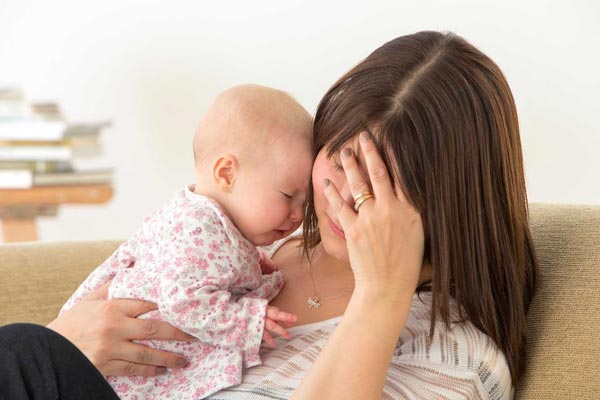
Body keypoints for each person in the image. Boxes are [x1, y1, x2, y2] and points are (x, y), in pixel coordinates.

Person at [0, 31, 537, 400]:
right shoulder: (252, 239)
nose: (343, 197)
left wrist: (381, 296)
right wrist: (67, 339)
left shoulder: (456, 354)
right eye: (340, 160)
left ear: (445, 206)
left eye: (379, 184)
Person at [59, 84, 313, 399]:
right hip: (114, 371)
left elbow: (215, 261)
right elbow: (183, 301)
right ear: (227, 174)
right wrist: (245, 321)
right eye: (288, 195)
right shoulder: (196, 226)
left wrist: (253, 261)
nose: (298, 215)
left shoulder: (213, 223)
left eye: (305, 202)